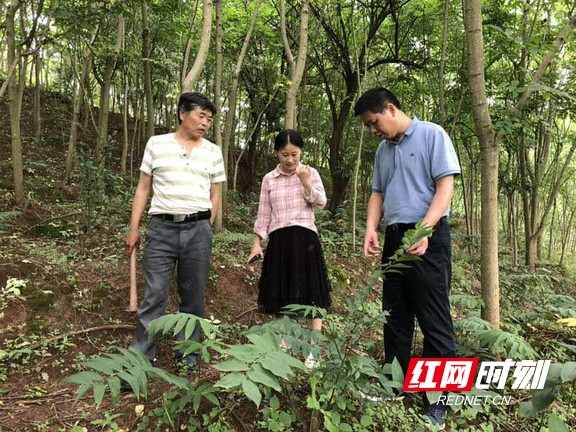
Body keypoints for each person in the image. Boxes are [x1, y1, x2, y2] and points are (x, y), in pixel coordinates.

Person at [354, 87, 460, 429]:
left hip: (428, 237)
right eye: (369, 127)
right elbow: (378, 192)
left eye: (374, 122)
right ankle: (394, 383)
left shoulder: (432, 135)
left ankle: (438, 403)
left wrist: (425, 230)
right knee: (395, 315)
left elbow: (445, 186)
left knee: (434, 321)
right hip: (395, 237)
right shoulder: (384, 150)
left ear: (390, 108)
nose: (373, 131)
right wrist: (372, 227)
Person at [125, 92, 226, 372]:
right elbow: (143, 187)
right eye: (201, 116)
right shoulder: (157, 144)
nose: (205, 123)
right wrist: (134, 229)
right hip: (161, 230)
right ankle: (138, 363)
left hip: (198, 230)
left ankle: (188, 359)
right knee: (154, 296)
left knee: (193, 298)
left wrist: (207, 224)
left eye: (209, 118)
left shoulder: (213, 151)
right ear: (183, 113)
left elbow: (215, 193)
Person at [248, 129, 331, 367]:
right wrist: (256, 243)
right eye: (284, 154)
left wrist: (305, 182)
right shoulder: (269, 179)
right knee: (281, 293)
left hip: (305, 239)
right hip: (280, 241)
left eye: (294, 154)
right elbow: (264, 213)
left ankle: (313, 350)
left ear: (301, 152)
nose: (290, 160)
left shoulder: (310, 173)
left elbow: (321, 203)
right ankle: (283, 348)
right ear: (277, 153)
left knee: (312, 295)